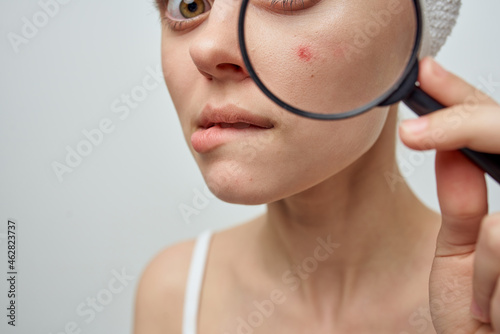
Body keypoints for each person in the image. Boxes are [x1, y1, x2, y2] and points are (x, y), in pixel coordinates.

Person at [134, 0, 500, 333]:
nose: (206, 48)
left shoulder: (486, 295)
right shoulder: (171, 294)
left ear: (409, 37)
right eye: (189, 5)